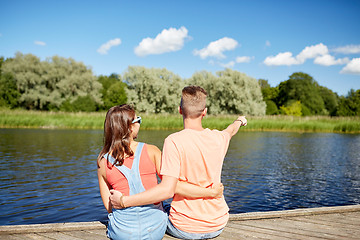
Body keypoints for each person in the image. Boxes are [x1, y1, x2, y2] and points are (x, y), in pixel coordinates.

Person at [110, 86, 247, 239]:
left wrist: (124, 201)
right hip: (218, 223)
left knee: (157, 211)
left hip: (184, 227)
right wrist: (240, 120)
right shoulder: (219, 138)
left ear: (180, 110)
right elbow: (231, 130)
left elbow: (170, 187)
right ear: (205, 112)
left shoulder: (173, 141)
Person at [97, 104, 223, 240]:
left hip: (122, 233)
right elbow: (174, 186)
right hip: (154, 230)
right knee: (169, 207)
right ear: (130, 127)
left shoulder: (103, 162)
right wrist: (211, 192)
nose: (139, 123)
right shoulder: (152, 151)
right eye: (137, 120)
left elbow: (109, 207)